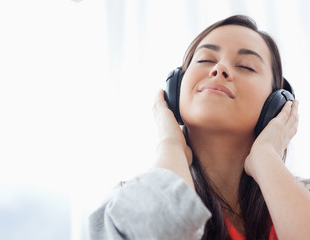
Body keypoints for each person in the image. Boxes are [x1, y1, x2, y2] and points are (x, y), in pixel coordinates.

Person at [88, 15, 310, 240]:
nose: (219, 68)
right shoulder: (128, 203)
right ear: (175, 87)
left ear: (278, 104)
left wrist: (265, 157)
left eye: (246, 66)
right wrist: (171, 146)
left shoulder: (303, 197)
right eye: (205, 60)